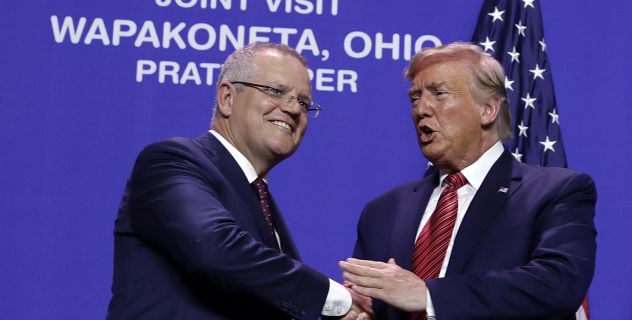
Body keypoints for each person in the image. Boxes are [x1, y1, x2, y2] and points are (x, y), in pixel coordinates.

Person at [107, 42, 371, 319]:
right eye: (275, 91)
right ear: (227, 98)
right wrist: (334, 297)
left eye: (304, 103)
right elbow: (213, 247)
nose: (294, 109)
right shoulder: (171, 161)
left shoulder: (260, 202)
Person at [339, 42, 597, 319]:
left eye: (439, 94)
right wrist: (355, 311)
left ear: (487, 110)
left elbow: (559, 284)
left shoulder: (554, 192)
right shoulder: (383, 211)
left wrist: (429, 296)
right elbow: (368, 300)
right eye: (415, 97)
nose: (421, 109)